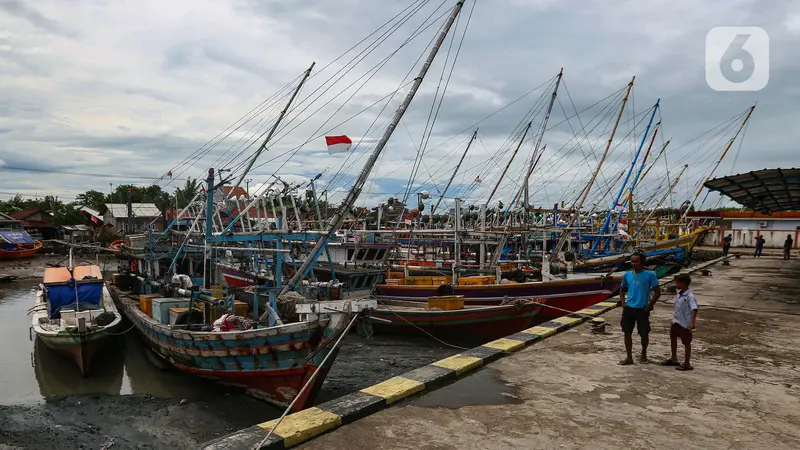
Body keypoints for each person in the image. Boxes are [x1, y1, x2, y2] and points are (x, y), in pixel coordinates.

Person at [618, 252, 661, 365]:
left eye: (636, 261)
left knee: (644, 333)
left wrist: (650, 305)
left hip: (642, 308)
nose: (633, 263)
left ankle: (643, 354)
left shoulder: (650, 275)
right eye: (632, 261)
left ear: (642, 262)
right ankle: (629, 356)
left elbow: (657, 292)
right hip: (629, 308)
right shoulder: (627, 275)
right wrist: (623, 303)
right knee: (627, 333)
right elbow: (622, 289)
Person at [662, 274, 698, 371]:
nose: (676, 284)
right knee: (673, 338)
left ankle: (687, 362)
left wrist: (692, 322)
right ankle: (674, 357)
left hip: (684, 323)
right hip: (676, 320)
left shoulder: (690, 296)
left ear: (683, 284)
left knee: (686, 342)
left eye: (677, 282)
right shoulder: (679, 293)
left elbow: (694, 309)